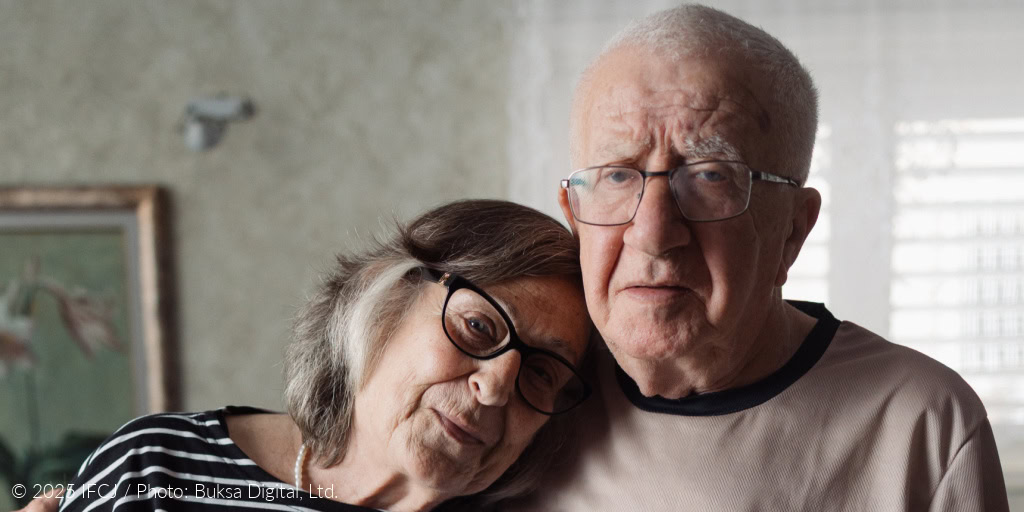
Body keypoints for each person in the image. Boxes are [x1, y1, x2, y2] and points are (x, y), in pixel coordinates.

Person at [505, 4, 1010, 511]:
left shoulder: (919, 424)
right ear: (574, 216)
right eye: (617, 175)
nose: (653, 234)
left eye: (710, 175)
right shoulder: (515, 388)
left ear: (794, 228)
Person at [49, 199, 592, 511]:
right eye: (477, 326)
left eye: (542, 372)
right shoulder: (157, 467)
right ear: (384, 299)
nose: (497, 386)